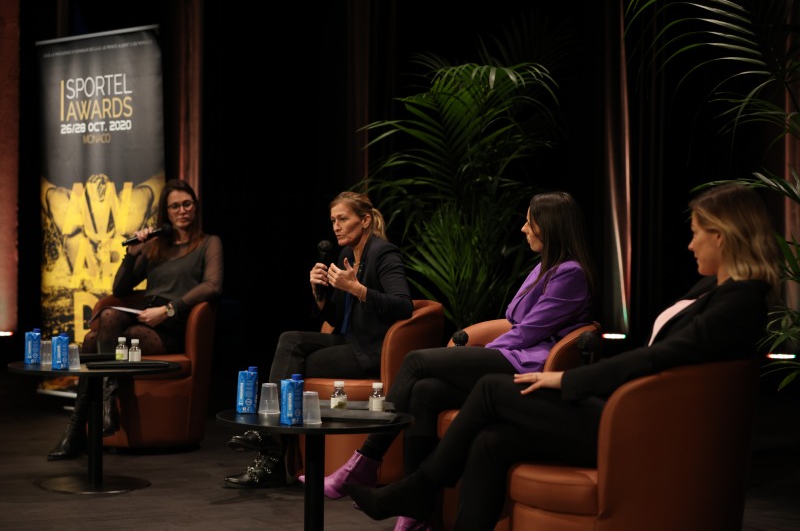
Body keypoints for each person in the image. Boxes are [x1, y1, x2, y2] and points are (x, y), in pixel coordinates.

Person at [344, 183, 781, 530]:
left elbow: (660, 357)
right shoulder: (716, 292)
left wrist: (567, 381)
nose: (689, 245)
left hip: (639, 426)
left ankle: (415, 488)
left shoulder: (740, 302)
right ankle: (423, 497)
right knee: (491, 441)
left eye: (695, 233)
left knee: (493, 389)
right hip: (631, 413)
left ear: (721, 237)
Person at [313, 191, 598, 531]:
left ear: (549, 227)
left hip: (527, 364)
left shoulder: (570, 273)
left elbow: (528, 332)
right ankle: (419, 510)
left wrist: (476, 353)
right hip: (510, 353)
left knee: (417, 362)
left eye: (529, 221)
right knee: (426, 391)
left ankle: (366, 458)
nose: (523, 228)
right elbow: (515, 322)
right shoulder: (542, 268)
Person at [222, 191, 414, 488]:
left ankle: (270, 451)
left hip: (370, 350)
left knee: (297, 361)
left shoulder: (383, 252)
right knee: (290, 340)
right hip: (348, 340)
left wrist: (357, 288)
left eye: (343, 219)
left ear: (364, 220)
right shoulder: (346, 255)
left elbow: (403, 305)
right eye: (332, 220)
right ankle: (271, 447)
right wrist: (319, 293)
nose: (336, 226)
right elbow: (337, 319)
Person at [47, 179, 224, 461]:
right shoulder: (156, 247)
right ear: (166, 212)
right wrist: (132, 254)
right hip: (141, 317)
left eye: (187, 204)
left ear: (195, 207)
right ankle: (104, 408)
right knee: (100, 328)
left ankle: (77, 430)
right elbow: (120, 290)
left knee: (95, 343)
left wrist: (168, 310)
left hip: (172, 325)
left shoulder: (208, 243)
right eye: (175, 206)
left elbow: (213, 285)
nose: (182, 211)